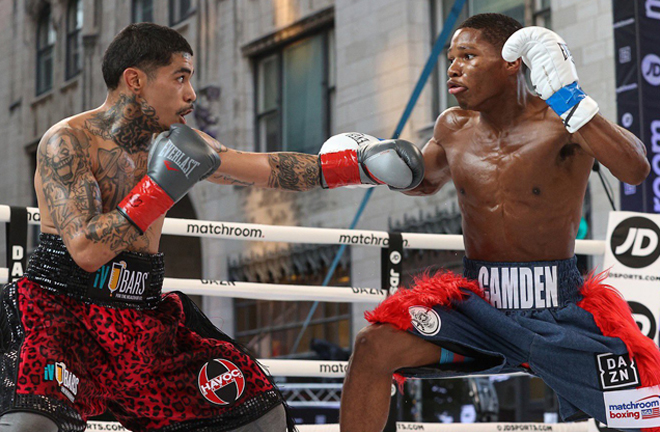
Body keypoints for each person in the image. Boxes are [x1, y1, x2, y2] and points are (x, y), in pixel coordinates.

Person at [0, 23, 424, 432]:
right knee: (31, 423)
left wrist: (358, 167)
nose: (191, 94)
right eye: (179, 78)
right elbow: (86, 250)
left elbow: (265, 168)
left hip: (141, 319)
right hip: (63, 313)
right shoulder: (68, 141)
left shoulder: (177, 140)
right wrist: (159, 187)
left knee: (260, 418)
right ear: (135, 81)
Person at [339, 13, 660, 432]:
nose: (453, 68)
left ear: (511, 63)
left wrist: (572, 100)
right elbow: (421, 182)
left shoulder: (562, 122)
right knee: (371, 347)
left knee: (643, 408)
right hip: (478, 311)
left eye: (468, 55)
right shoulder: (452, 127)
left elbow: (635, 168)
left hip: (558, 312)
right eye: (451, 58)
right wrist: (373, 164)